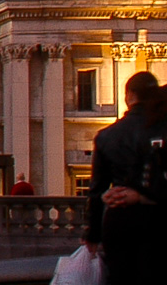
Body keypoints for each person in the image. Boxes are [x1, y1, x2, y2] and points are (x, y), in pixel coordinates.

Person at [86, 72, 167, 284]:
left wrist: (92, 233)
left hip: (118, 220)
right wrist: (142, 196)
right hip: (156, 220)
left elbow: (96, 190)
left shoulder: (106, 135)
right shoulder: (161, 130)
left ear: (129, 95)